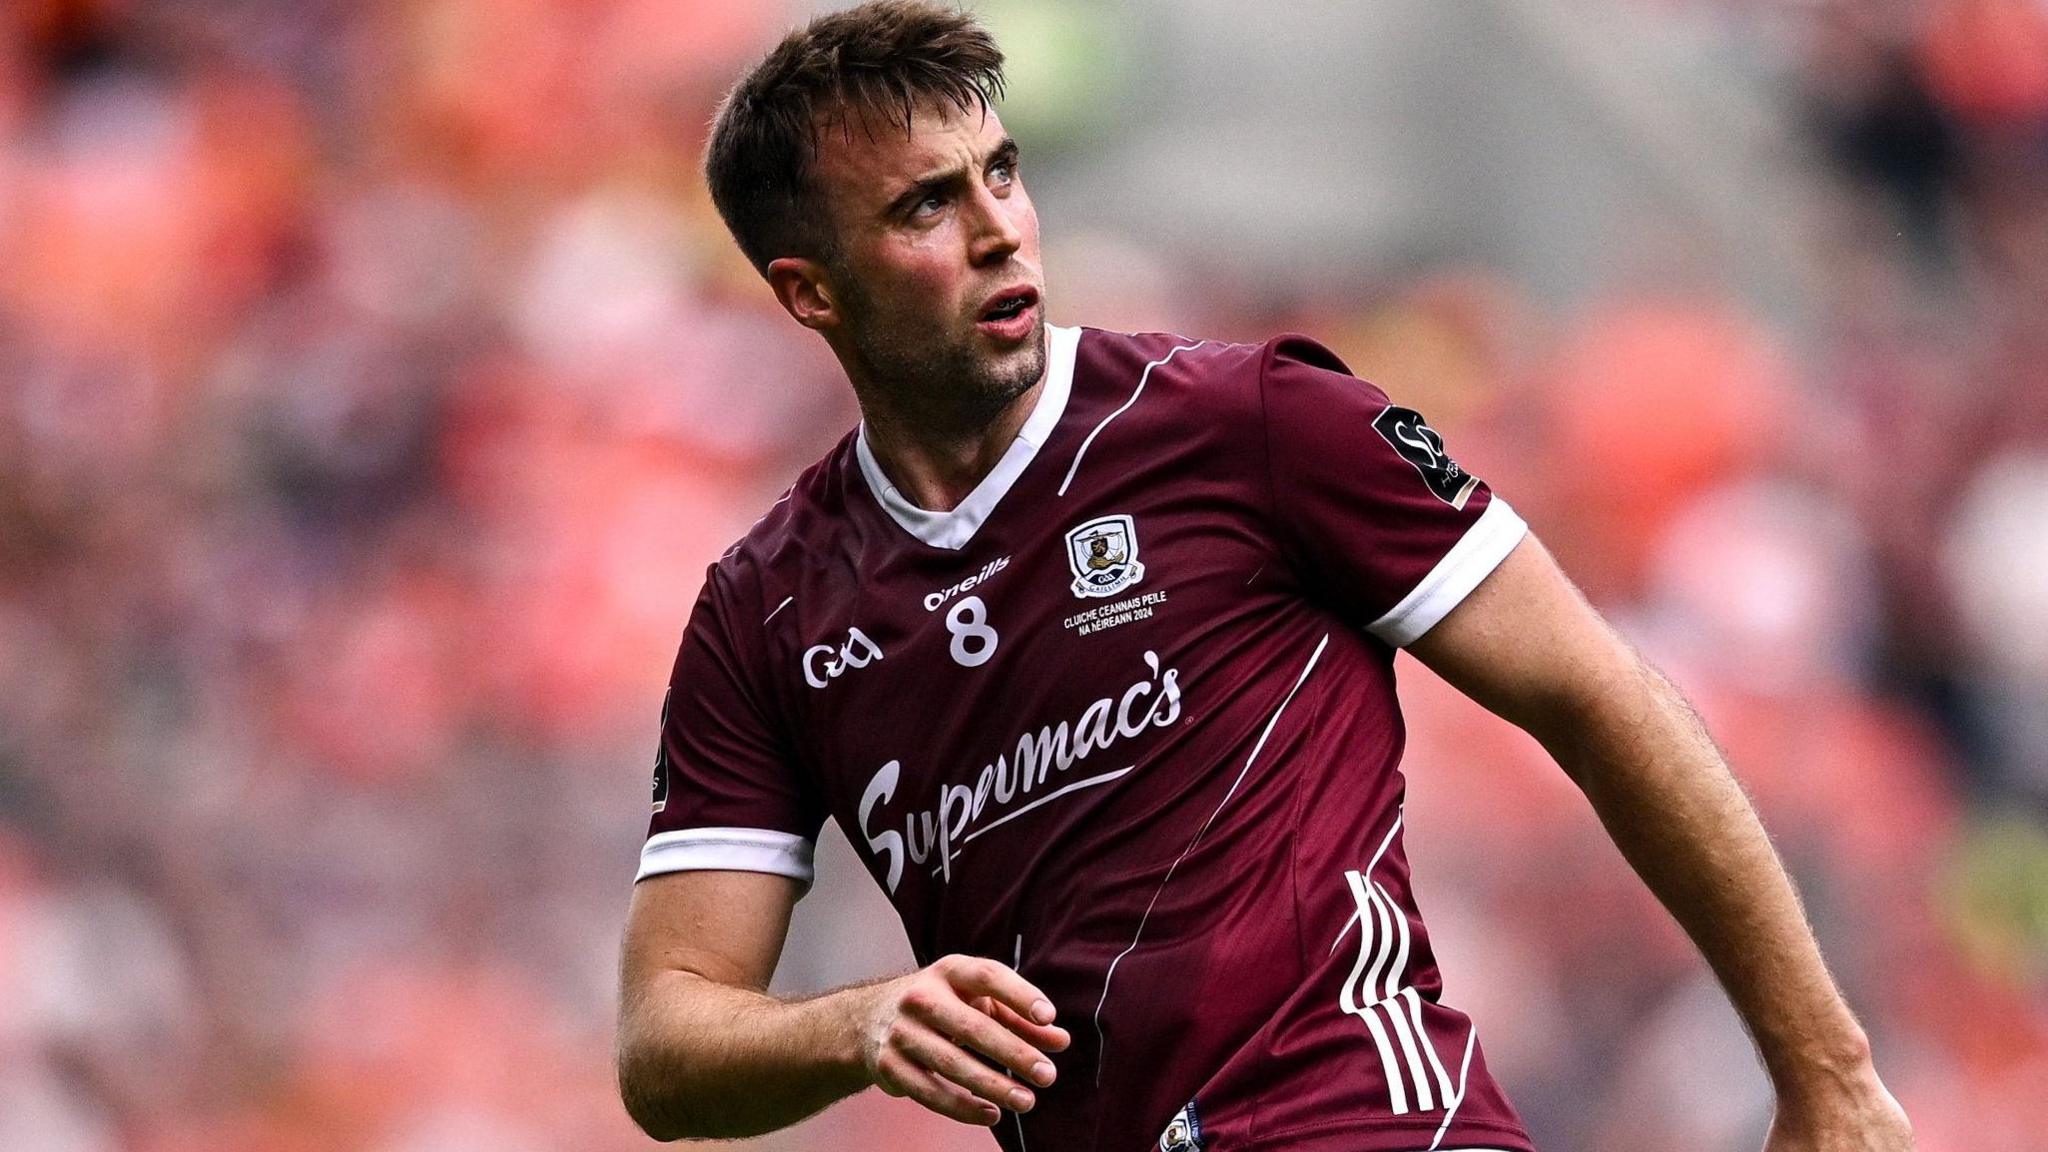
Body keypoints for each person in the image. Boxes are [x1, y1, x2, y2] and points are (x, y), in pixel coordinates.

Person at [614, 4, 1915, 1150]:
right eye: (924, 207)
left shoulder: (1258, 428)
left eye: (1000, 174)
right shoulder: (767, 615)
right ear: (809, 292)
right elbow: (668, 1046)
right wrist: (857, 1025)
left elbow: (1599, 693)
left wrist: (1828, 1075)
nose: (999, 231)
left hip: (1369, 1124)